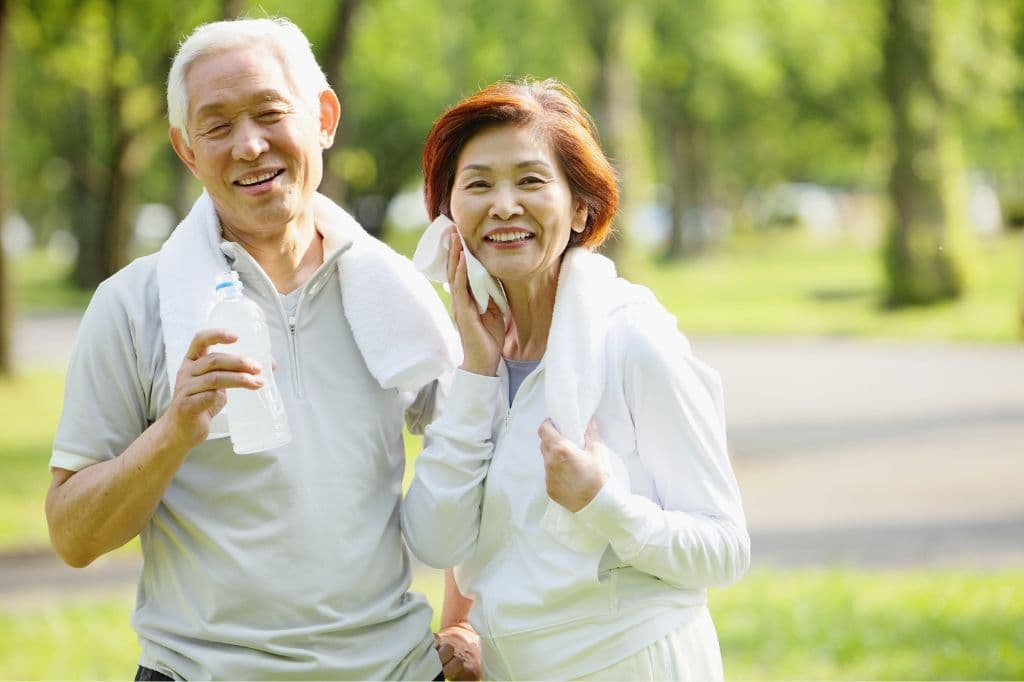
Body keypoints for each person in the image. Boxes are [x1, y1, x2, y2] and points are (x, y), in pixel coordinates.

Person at [45, 17, 459, 680]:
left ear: (324, 118)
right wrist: (174, 431)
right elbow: (72, 536)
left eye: (270, 113)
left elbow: (478, 462)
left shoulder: (396, 295)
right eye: (217, 126)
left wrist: (462, 620)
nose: (248, 145)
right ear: (186, 150)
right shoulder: (132, 305)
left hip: (394, 669)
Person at [402, 79, 750, 681]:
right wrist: (478, 373)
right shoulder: (472, 359)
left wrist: (602, 503)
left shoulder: (632, 341)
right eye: (479, 184)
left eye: (531, 181)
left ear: (581, 208)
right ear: (449, 214)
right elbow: (439, 541)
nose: (504, 205)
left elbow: (724, 549)